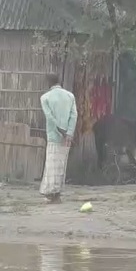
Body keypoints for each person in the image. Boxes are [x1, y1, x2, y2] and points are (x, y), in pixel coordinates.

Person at [39, 73, 78, 204]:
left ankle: (51, 194)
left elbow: (50, 117)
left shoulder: (45, 98)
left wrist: (60, 130)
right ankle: (57, 193)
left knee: (51, 165)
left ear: (48, 82)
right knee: (61, 165)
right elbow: (74, 115)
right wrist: (69, 133)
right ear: (59, 81)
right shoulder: (70, 96)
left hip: (54, 135)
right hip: (67, 138)